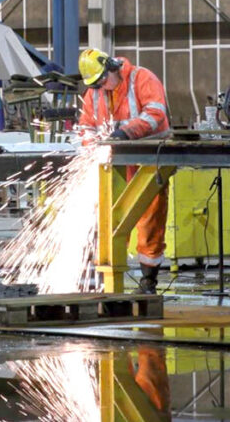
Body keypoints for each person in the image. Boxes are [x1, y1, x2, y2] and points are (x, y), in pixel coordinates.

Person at [77, 47, 170, 294]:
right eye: (96, 84)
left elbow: (155, 114)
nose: (101, 87)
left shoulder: (142, 78)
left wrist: (126, 133)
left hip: (148, 162)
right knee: (107, 220)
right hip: (113, 164)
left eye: (103, 80)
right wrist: (92, 144)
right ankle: (103, 280)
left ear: (112, 67)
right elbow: (85, 126)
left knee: (150, 220)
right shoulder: (95, 91)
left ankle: (148, 281)